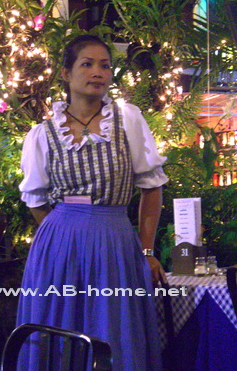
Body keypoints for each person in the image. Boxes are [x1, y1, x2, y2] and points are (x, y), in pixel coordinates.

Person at [17, 34, 168, 371]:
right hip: (58, 246)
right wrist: (64, 236)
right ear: (66, 73)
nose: (98, 72)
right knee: (58, 331)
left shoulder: (127, 119)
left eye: (105, 65)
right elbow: (36, 198)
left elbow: (151, 187)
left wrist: (146, 250)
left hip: (114, 241)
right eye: (87, 64)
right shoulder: (42, 134)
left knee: (113, 328)